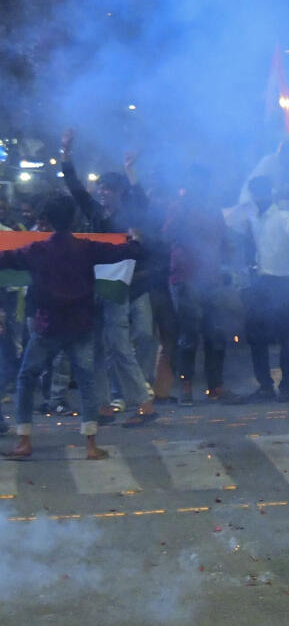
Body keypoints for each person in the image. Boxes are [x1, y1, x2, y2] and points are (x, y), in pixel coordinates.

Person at [0, 193, 142, 459]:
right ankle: (90, 444)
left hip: (47, 325)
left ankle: (24, 440)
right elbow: (125, 252)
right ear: (74, 218)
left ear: (46, 220)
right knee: (87, 381)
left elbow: (5, 258)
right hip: (81, 324)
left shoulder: (37, 250)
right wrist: (134, 239)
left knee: (26, 378)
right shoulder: (86, 248)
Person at [60, 130, 158, 426]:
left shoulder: (130, 216)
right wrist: (66, 154)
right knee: (96, 347)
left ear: (120, 193)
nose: (102, 193)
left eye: (108, 189)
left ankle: (144, 404)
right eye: (100, 188)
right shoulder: (94, 212)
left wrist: (130, 169)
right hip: (93, 286)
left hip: (117, 287)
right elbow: (75, 188)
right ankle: (103, 406)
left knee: (119, 346)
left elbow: (142, 201)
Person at [226, 176, 289, 401]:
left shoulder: (283, 216)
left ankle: (286, 384)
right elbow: (228, 222)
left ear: (270, 192)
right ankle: (265, 385)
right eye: (255, 193)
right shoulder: (252, 217)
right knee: (256, 336)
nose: (259, 198)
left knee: (288, 337)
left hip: (286, 283)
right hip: (261, 283)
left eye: (262, 192)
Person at [163, 163, 230, 404]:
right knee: (189, 335)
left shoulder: (213, 209)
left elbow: (223, 240)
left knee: (216, 334)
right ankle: (186, 386)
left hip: (210, 277)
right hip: (185, 277)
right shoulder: (178, 207)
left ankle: (215, 387)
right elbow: (167, 235)